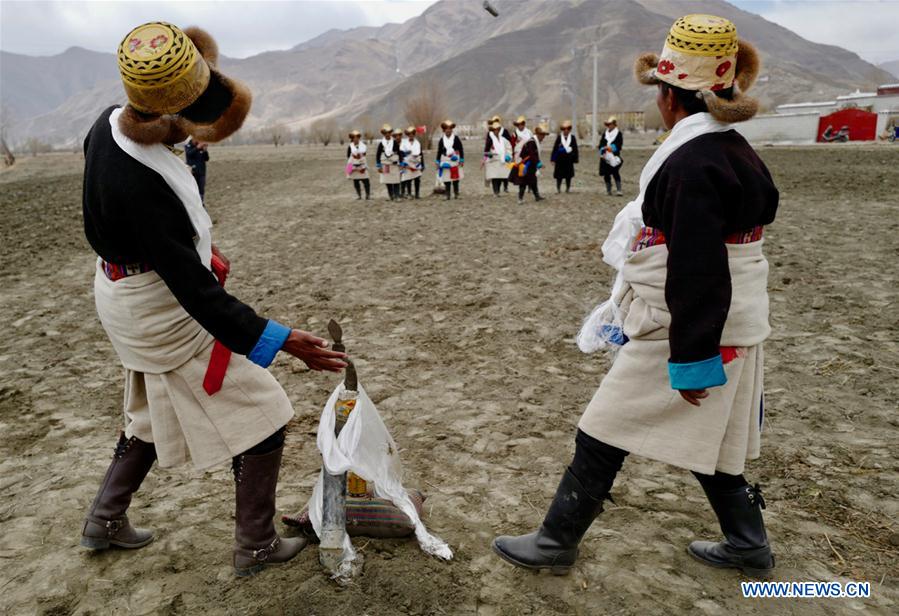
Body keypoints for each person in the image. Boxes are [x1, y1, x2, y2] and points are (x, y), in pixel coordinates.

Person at [493, 14, 779, 579]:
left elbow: (699, 267)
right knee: (713, 441)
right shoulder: (733, 149)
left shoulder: (694, 161)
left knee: (603, 425)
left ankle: (554, 542)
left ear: (671, 96)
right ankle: (748, 544)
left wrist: (694, 361)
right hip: (724, 317)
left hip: (687, 322)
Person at [79, 22, 347, 577]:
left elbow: (154, 237)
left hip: (122, 289)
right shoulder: (140, 185)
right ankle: (256, 546)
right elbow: (196, 294)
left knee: (149, 412)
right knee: (266, 415)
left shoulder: (106, 124)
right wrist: (279, 339)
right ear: (168, 115)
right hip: (159, 309)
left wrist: (184, 244)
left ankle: (103, 520)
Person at [511, 123, 549, 204]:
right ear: (538, 134)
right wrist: (538, 163)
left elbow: (534, 155)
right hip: (525, 165)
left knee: (533, 181)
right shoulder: (532, 142)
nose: (543, 137)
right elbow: (532, 154)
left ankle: (537, 196)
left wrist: (537, 163)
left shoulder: (535, 141)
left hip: (530, 165)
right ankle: (520, 199)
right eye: (542, 135)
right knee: (523, 183)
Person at [436, 120, 464, 200]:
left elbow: (461, 149)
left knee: (455, 178)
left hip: (455, 160)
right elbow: (439, 151)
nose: (448, 130)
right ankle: (447, 194)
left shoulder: (456, 138)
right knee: (446, 178)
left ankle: (456, 193)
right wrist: (437, 161)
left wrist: (461, 159)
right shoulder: (442, 140)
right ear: (444, 130)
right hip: (445, 160)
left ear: (452, 129)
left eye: (450, 128)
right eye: (446, 128)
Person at [483, 121, 513, 197]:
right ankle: (495, 192)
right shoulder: (490, 139)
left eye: (497, 129)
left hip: (502, 160)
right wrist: (489, 154)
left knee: (500, 177)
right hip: (493, 161)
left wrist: (508, 156)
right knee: (494, 177)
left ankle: (498, 191)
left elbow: (509, 148)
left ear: (499, 130)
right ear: (492, 130)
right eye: (494, 130)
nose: (496, 131)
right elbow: (486, 150)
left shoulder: (504, 140)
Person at [550, 120, 579, 193]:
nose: (566, 130)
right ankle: (558, 188)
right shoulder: (559, 138)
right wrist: (553, 159)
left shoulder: (572, 138)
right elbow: (555, 149)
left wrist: (575, 158)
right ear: (562, 129)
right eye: (564, 129)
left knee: (568, 175)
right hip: (560, 160)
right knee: (559, 176)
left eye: (568, 128)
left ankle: (568, 188)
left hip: (569, 159)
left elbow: (575, 149)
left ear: (570, 129)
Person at [599, 116, 624, 196]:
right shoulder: (604, 134)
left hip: (614, 156)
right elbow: (601, 144)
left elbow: (619, 145)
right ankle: (608, 190)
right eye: (608, 124)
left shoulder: (618, 134)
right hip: (605, 156)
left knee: (615, 172)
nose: (609, 126)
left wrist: (611, 148)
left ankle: (619, 189)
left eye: (610, 124)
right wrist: (603, 148)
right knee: (606, 174)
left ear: (614, 124)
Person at [376, 124, 402, 200]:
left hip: (394, 164)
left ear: (391, 133)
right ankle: (391, 195)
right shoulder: (381, 144)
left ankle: (397, 196)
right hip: (385, 165)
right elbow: (378, 154)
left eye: (389, 132)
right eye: (385, 133)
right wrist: (378, 165)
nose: (387, 134)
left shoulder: (395, 143)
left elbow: (399, 153)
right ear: (383, 134)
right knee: (387, 180)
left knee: (396, 180)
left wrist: (401, 163)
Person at [345, 129, 370, 200]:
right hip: (353, 165)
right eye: (354, 137)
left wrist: (362, 164)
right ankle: (359, 195)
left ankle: (367, 195)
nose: (355, 139)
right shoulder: (350, 146)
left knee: (366, 181)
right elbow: (348, 156)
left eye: (357, 137)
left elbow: (364, 155)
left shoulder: (363, 146)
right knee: (356, 181)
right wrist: (352, 164)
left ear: (359, 138)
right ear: (352, 138)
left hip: (362, 164)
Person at [400, 126, 424, 199]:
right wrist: (405, 154)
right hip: (407, 162)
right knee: (408, 179)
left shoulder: (417, 143)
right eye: (409, 134)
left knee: (417, 179)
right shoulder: (404, 143)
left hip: (416, 162)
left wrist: (423, 164)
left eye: (412, 134)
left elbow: (421, 154)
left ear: (414, 134)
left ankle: (417, 194)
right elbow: (400, 153)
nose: (411, 135)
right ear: (407, 135)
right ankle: (409, 194)